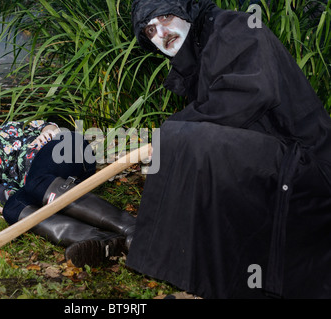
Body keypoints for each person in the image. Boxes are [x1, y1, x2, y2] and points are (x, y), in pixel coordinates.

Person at [126, 0, 331, 298]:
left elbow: (248, 95)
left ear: (188, 11)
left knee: (196, 141)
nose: (162, 33)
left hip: (309, 169)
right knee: (192, 142)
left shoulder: (235, 28)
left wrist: (173, 133)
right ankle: (205, 280)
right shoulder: (201, 52)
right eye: (150, 30)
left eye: (167, 16)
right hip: (275, 159)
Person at [0, 120, 135, 267]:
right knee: (14, 207)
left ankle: (132, 227)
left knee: (35, 183)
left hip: (66, 149)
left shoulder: (7, 128)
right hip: (46, 184)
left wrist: (48, 131)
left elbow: (46, 124)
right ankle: (103, 241)